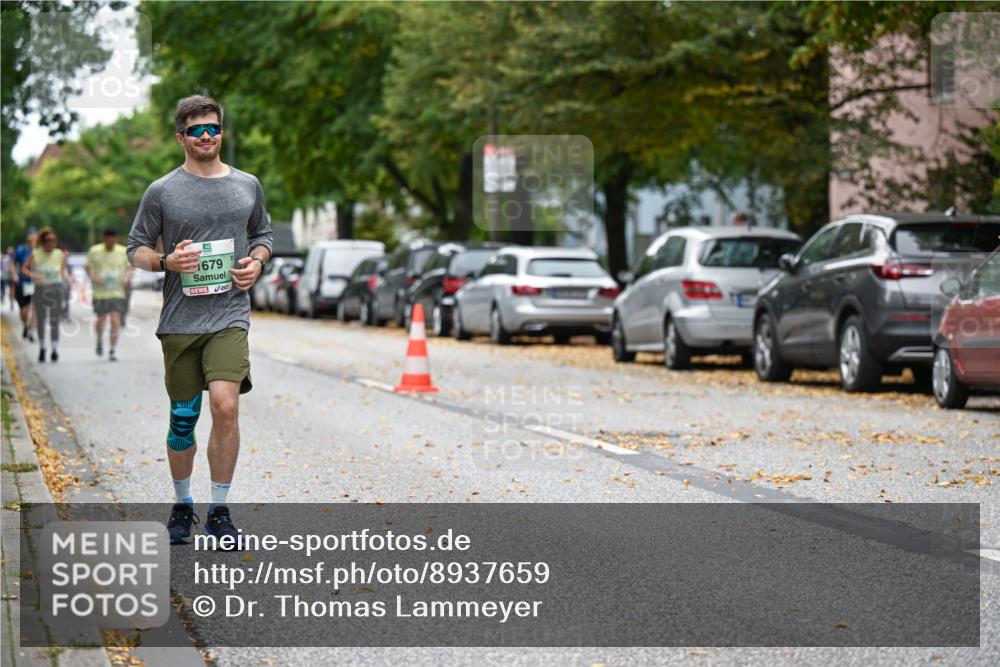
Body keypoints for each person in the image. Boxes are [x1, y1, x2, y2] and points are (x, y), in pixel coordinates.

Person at [126, 95, 272, 546]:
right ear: (181, 137)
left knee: (226, 406)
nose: (206, 136)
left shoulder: (247, 184)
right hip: (180, 321)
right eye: (196, 130)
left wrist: (257, 263)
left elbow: (262, 235)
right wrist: (167, 261)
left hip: (230, 314)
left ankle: (220, 510)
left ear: (222, 132)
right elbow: (136, 250)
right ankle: (182, 505)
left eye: (213, 128)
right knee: (183, 419)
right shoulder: (163, 190)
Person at [22, 227, 70, 362]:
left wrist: (67, 279)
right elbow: (24, 269)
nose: (51, 243)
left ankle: (54, 348)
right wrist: (34, 275)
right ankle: (43, 347)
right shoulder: (36, 254)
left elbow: (62, 271)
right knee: (41, 320)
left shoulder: (59, 254)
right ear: (43, 241)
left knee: (55, 320)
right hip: (40, 289)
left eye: (54, 240)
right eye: (48, 240)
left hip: (56, 289)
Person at [86, 228, 133, 361]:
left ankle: (112, 349)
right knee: (100, 319)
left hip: (117, 292)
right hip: (100, 292)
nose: (111, 241)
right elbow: (87, 267)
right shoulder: (94, 250)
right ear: (104, 238)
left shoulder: (122, 251)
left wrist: (126, 278)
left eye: (114, 238)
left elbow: (130, 268)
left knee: (115, 319)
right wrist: (93, 277)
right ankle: (100, 339)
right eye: (109, 238)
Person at [11, 228, 37, 340]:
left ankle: (31, 330)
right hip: (23, 283)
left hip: (36, 284)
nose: (32, 239)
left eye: (34, 236)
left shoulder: (40, 251)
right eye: (30, 236)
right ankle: (25, 325)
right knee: (24, 311)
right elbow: (13, 263)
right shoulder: (21, 250)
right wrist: (14, 275)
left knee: (34, 307)